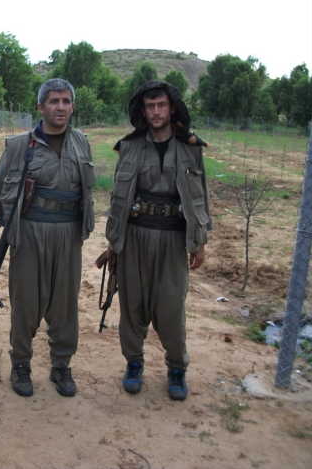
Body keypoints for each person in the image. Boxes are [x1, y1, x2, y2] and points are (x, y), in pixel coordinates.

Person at [104, 80, 212, 401]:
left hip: (174, 239)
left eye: (161, 105)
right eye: (150, 106)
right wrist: (113, 244)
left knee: (170, 309)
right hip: (135, 238)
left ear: (172, 108)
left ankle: (177, 367)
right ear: (143, 110)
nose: (155, 111)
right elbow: (117, 200)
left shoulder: (191, 148)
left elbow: (200, 198)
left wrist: (199, 241)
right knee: (132, 305)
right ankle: (134, 363)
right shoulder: (129, 147)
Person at [0, 78, 95, 397]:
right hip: (30, 232)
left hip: (68, 232)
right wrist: (7, 226)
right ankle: (20, 364)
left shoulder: (82, 143)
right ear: (41, 107)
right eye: (54, 101)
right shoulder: (21, 145)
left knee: (64, 304)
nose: (60, 107)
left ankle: (61, 365)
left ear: (72, 106)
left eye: (66, 101)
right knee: (26, 302)